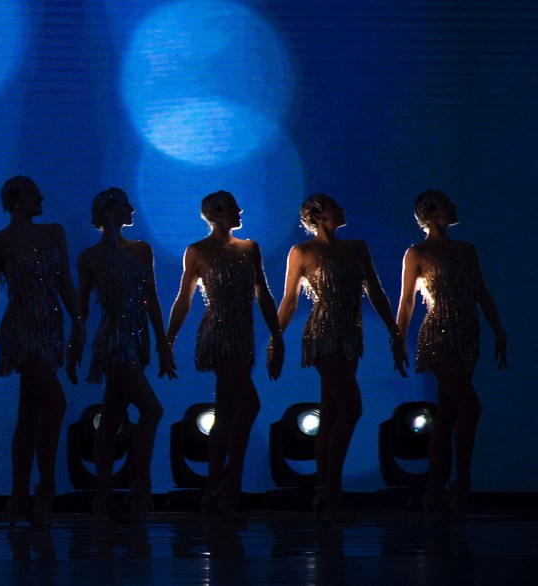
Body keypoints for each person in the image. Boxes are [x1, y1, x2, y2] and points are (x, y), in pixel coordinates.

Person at [276, 194, 406, 521]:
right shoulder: (302, 252)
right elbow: (289, 301)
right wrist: (274, 341)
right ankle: (331, 486)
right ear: (319, 215)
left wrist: (395, 331)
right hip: (322, 333)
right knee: (351, 407)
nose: (343, 208)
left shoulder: (356, 247)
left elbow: (374, 289)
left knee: (333, 413)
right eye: (336, 206)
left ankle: (325, 490)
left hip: (350, 334)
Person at [164, 190, 281, 522]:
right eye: (232, 207)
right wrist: (168, 341)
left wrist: (276, 337)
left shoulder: (249, 249)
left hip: (243, 335)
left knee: (228, 414)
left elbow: (263, 293)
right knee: (249, 404)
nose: (239, 210)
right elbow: (184, 299)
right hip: (217, 335)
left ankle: (213, 491)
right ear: (215, 214)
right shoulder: (198, 251)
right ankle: (231, 483)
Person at [396, 189, 506, 519]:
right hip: (439, 335)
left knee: (447, 416)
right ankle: (462, 484)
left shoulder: (466, 250)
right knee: (470, 407)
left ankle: (434, 491)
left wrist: (498, 328)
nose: (455, 207)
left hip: (467, 334)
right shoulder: (417, 252)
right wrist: (398, 339)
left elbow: (480, 291)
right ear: (431, 214)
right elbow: (407, 301)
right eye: (448, 204)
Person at [0, 176, 83, 525]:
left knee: (29, 416)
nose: (40, 196)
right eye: (31, 192)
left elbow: (64, 281)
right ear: (13, 200)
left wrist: (79, 324)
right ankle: (46, 488)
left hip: (49, 325)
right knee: (55, 403)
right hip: (21, 327)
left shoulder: (53, 232)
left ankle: (19, 495)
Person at [71, 188, 173, 523]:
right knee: (151, 409)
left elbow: (152, 299)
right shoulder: (90, 257)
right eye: (124, 205)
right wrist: (75, 347)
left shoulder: (142, 250)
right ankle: (140, 484)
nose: (131, 209)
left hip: (138, 340)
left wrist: (162, 343)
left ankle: (103, 494)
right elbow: (82, 308)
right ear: (108, 212)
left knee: (113, 416)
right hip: (113, 342)